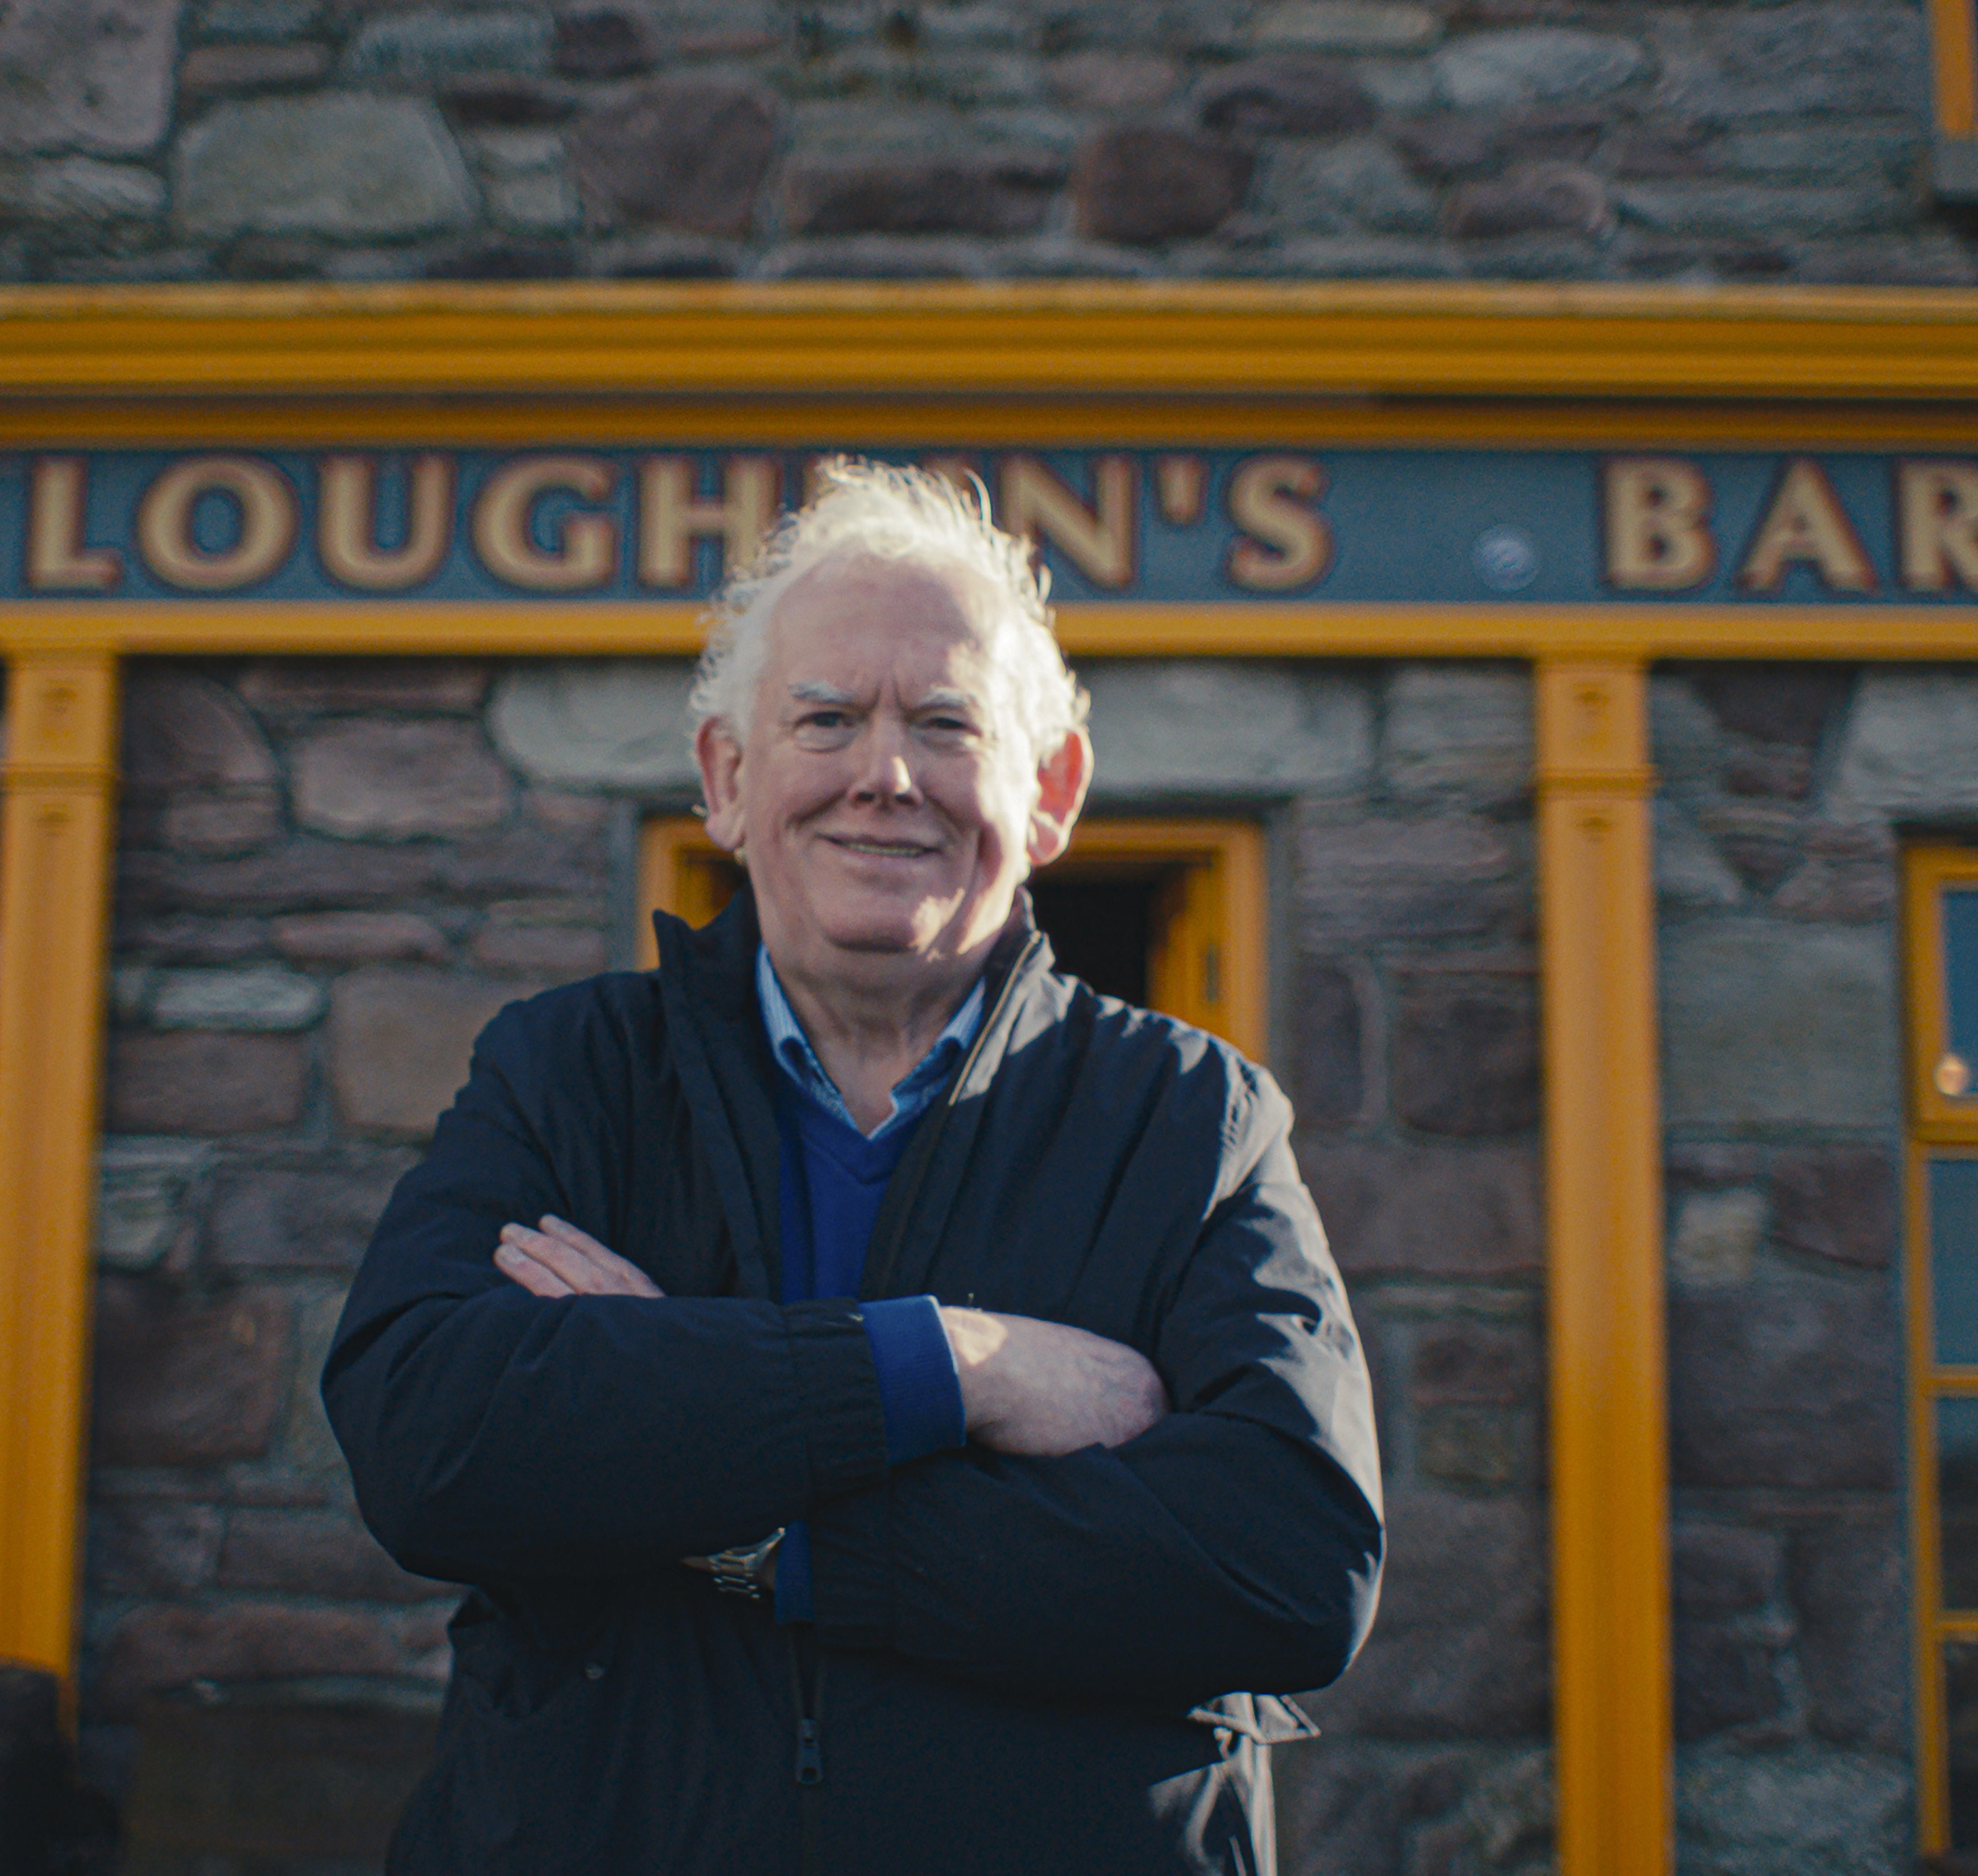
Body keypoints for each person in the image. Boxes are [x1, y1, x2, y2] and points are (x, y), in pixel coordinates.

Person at [322, 459, 1383, 1875]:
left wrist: (734, 1494)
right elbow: (427, 1441)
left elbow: (1288, 1565)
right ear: (727, 777)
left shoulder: (1191, 1117)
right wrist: (954, 1366)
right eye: (824, 719)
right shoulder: (568, 1072)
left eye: (946, 723)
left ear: (1051, 789)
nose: (885, 775)